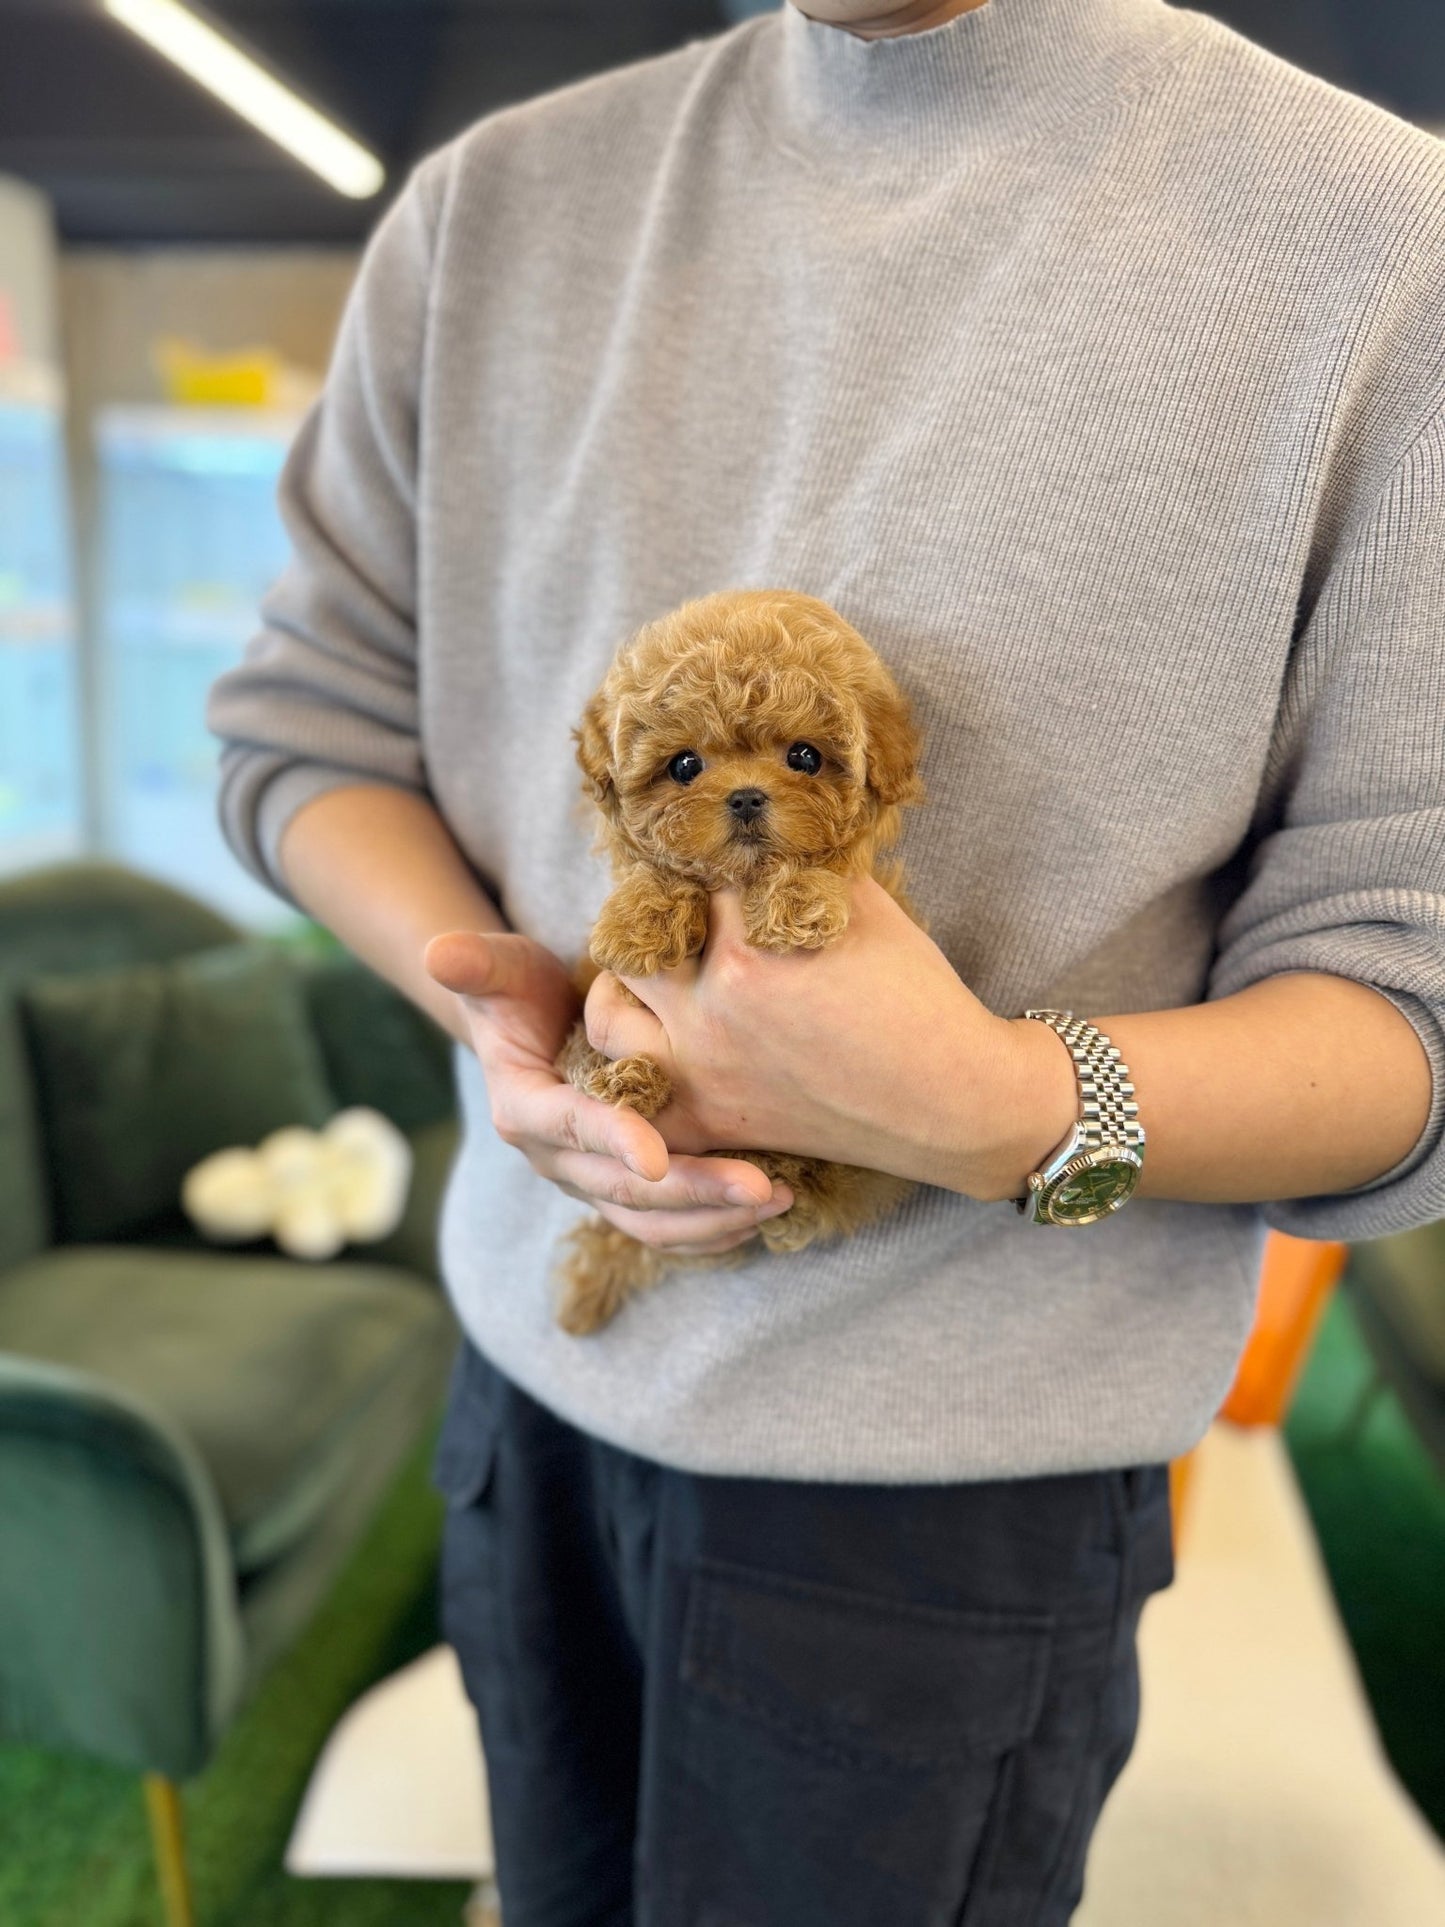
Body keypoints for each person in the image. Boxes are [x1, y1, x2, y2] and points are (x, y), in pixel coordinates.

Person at [205, 0, 1445, 1918]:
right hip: (530, 1379)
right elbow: (307, 728)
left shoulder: (1378, 249)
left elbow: (1409, 1000)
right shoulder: (488, 212)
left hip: (948, 1500)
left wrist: (1000, 1105)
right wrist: (506, 1008)